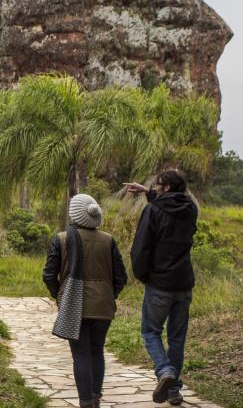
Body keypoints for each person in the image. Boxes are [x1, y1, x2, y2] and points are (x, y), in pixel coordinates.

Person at [43, 194, 128, 408]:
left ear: (74, 214)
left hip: (74, 304)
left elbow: (48, 275)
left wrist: (60, 296)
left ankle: (85, 402)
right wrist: (109, 295)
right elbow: (121, 277)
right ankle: (96, 398)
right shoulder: (108, 240)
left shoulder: (62, 239)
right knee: (96, 352)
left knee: (80, 354)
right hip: (103, 306)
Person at [126, 170, 198, 405]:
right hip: (184, 283)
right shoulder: (190, 210)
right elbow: (169, 208)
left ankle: (165, 371)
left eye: (157, 185)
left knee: (150, 331)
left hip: (159, 283)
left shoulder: (153, 210)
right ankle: (173, 390)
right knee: (177, 338)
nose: (154, 188)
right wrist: (147, 192)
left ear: (166, 188)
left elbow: (141, 246)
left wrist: (142, 275)